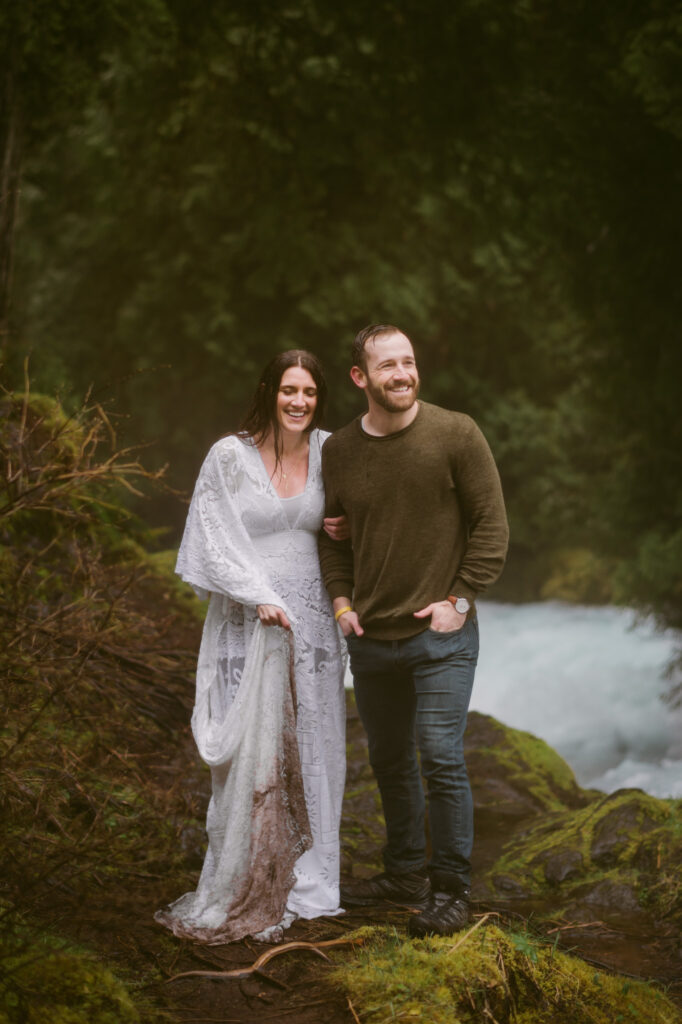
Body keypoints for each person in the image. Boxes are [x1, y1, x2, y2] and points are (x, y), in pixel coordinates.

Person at [318, 324, 509, 937]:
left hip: (440, 637)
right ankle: (403, 874)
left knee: (440, 756)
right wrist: (343, 604)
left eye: (408, 363)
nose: (401, 374)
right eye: (387, 366)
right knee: (390, 761)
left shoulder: (456, 433)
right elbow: (333, 537)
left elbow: (491, 526)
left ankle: (451, 890)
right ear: (360, 378)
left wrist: (460, 597)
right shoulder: (339, 451)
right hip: (371, 639)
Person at [155, 351, 347, 944]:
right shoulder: (228, 455)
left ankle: (311, 885)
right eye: (289, 390)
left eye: (309, 392)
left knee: (318, 741)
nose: (299, 402)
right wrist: (258, 592)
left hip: (313, 623)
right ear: (269, 391)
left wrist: (344, 523)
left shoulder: (328, 450)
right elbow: (210, 536)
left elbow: (360, 508)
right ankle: (247, 876)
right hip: (251, 617)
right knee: (252, 749)